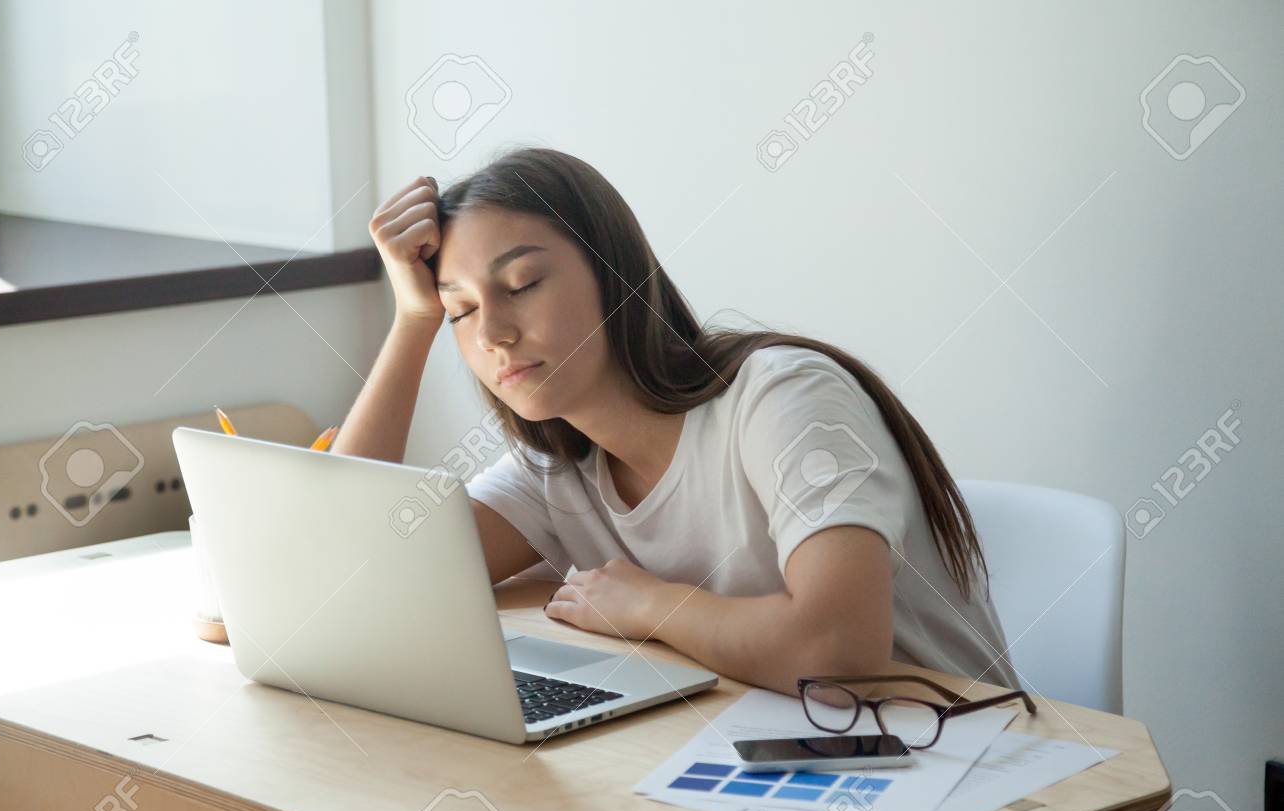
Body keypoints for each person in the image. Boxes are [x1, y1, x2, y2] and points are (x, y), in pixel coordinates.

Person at [333, 147, 1019, 697]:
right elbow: (354, 577)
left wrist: (648, 606)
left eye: (522, 285)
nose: (495, 333)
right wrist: (413, 321)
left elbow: (837, 655)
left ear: (615, 274)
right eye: (461, 311)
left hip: (977, 786)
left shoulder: (781, 399)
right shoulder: (556, 470)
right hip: (773, 758)